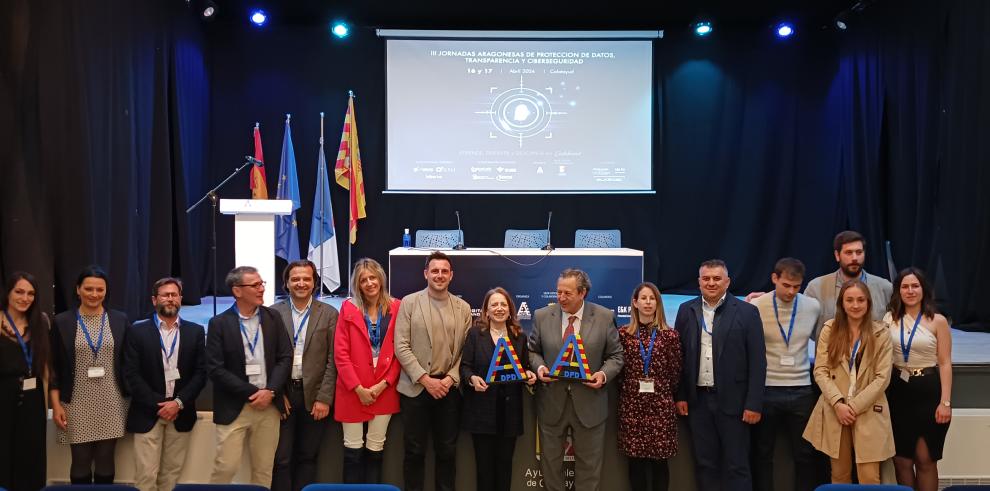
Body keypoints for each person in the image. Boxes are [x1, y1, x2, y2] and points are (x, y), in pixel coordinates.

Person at [528, 268, 624, 491]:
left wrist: (602, 374)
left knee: (589, 470)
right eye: (558, 292)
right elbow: (533, 351)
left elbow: (616, 356)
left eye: (567, 293)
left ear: (582, 293)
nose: (560, 298)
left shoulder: (604, 317)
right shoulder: (542, 316)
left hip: (590, 404)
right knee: (551, 467)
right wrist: (540, 367)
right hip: (551, 403)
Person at [674, 259, 766, 491]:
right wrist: (681, 395)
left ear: (727, 282)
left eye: (717, 278)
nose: (711, 283)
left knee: (737, 465)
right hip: (698, 402)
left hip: (735, 404)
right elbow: (679, 357)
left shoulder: (747, 312)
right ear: (699, 282)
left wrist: (754, 403)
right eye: (706, 279)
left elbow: (757, 361)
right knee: (706, 465)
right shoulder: (686, 310)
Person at [206, 266, 292, 487]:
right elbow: (216, 369)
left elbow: (285, 357)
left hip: (269, 407)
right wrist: (255, 394)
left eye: (262, 283)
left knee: (264, 470)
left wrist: (270, 391)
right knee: (225, 468)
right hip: (235, 407)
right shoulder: (219, 324)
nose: (262, 288)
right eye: (255, 285)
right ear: (237, 291)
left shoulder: (273, 317)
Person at [394, 251, 473, 491]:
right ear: (426, 274)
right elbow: (401, 345)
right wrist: (425, 380)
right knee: (414, 452)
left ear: (451, 276)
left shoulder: (464, 308)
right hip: (416, 388)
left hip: (448, 390)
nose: (439, 275)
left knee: (447, 453)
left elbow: (466, 351)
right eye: (435, 271)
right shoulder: (409, 302)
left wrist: (450, 379)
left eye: (444, 271)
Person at [803, 280, 894, 484]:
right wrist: (838, 403)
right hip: (836, 411)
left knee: (870, 477)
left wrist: (852, 406)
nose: (855, 305)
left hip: (868, 410)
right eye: (850, 300)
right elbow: (820, 371)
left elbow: (882, 378)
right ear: (842, 303)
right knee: (839, 476)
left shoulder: (881, 333)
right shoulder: (830, 329)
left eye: (861, 300)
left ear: (868, 303)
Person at [122, 277, 207, 491]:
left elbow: (201, 374)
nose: (170, 298)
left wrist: (177, 403)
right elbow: (131, 374)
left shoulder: (195, 332)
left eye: (174, 294)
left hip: (181, 413)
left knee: (170, 476)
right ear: (154, 300)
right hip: (148, 414)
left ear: (180, 298)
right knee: (145, 477)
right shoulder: (137, 331)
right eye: (165, 295)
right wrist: (161, 404)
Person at [50, 265, 130, 484]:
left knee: (106, 459)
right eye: (88, 289)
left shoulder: (120, 320)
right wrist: (56, 405)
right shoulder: (62, 322)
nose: (94, 294)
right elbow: (54, 366)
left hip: (112, 400)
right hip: (76, 402)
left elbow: (128, 361)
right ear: (78, 290)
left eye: (99, 289)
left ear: (106, 291)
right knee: (80, 460)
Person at [749, 258, 823, 491]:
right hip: (767, 389)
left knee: (805, 454)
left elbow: (821, 340)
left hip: (801, 388)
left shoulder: (813, 306)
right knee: (762, 453)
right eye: (786, 285)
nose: (791, 291)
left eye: (796, 286)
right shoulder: (756, 306)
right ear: (774, 279)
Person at [271, 260, 339, 491]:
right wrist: (276, 394)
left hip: (315, 396)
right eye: (295, 279)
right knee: (281, 459)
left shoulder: (329, 313)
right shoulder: (273, 312)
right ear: (287, 284)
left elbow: (334, 360)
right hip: (284, 395)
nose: (301, 283)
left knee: (308, 457)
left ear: (314, 283)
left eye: (307, 279)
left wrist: (324, 398)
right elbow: (268, 358)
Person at [461, 287, 537, 491]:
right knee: (484, 470)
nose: (499, 308)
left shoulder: (519, 336)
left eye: (503, 304)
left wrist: (529, 376)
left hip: (509, 413)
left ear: (510, 309)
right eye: (494, 304)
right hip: (482, 412)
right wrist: (472, 379)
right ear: (485, 311)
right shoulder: (476, 334)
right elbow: (465, 367)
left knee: (505, 467)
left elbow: (524, 368)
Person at [883, 268, 952, 491]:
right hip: (898, 390)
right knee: (902, 460)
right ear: (898, 291)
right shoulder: (889, 319)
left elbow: (944, 363)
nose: (910, 291)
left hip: (928, 391)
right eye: (905, 286)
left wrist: (945, 402)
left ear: (923, 289)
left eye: (915, 286)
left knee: (925, 459)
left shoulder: (938, 321)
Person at [334, 258, 402, 483]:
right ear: (357, 284)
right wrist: (358, 388)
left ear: (381, 278)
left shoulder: (397, 307)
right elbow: (340, 354)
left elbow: (401, 352)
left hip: (384, 388)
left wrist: (384, 384)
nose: (370, 283)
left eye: (373, 277)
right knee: (352, 452)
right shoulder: (348, 308)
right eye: (364, 280)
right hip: (353, 390)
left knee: (376, 449)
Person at [617, 282, 681, 491]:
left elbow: (675, 371)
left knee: (660, 462)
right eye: (643, 298)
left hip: (661, 406)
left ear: (658, 303)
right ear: (635, 303)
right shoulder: (623, 335)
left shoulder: (670, 335)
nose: (648, 302)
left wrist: (662, 391)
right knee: (635, 463)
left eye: (652, 298)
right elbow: (619, 372)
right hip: (632, 406)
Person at [0, 272, 51, 491]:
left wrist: (52, 403)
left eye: (31, 293)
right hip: (3, 398)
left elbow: (47, 367)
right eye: (19, 291)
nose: (25, 298)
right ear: (8, 293)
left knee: (30, 456)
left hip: (33, 399)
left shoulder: (41, 321)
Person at [805, 230, 893, 336]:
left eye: (859, 252)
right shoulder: (816, 288)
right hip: (830, 351)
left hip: (873, 351)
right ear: (837, 255)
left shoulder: (885, 288)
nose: (854, 258)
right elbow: (805, 329)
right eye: (849, 252)